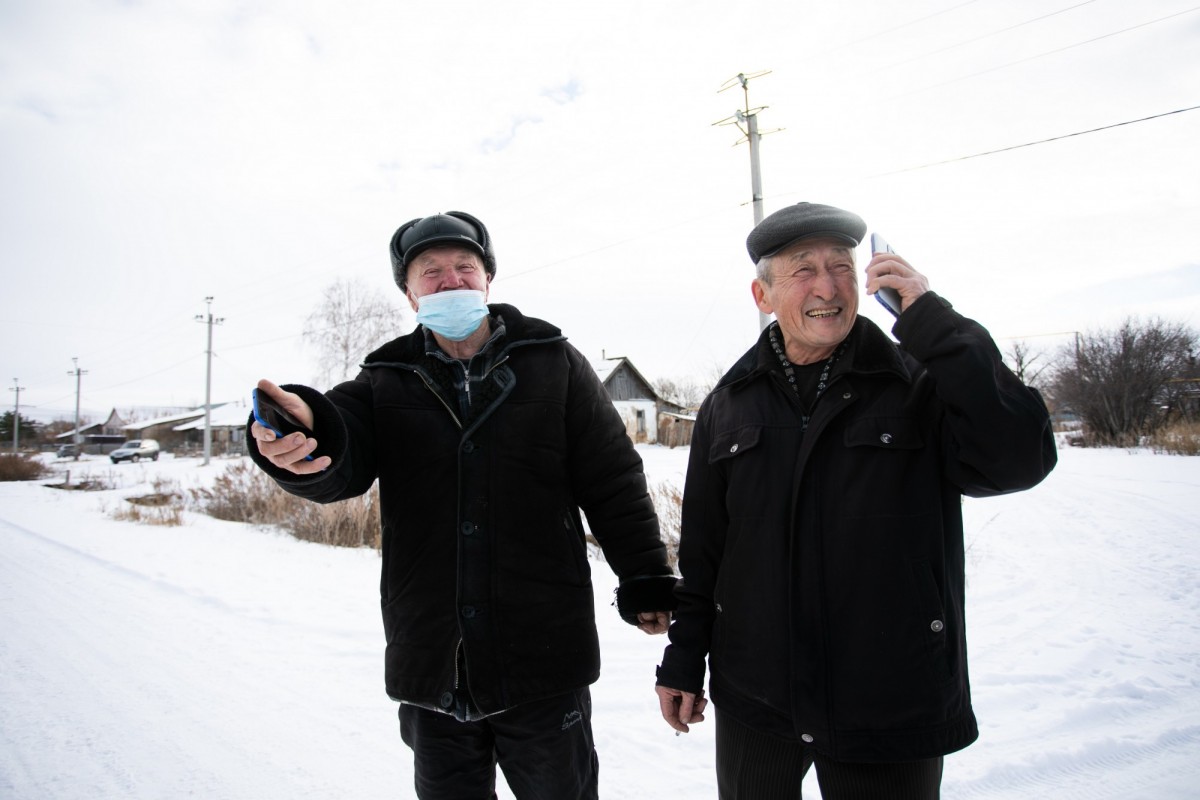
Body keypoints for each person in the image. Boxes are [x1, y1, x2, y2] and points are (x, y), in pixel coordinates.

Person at [248, 210, 677, 800]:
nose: (451, 280)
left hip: (543, 653)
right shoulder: (385, 378)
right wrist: (302, 433)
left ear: (487, 280)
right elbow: (337, 450)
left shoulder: (553, 362)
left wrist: (646, 576)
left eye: (464, 267)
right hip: (433, 662)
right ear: (409, 294)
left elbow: (612, 480)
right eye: (431, 272)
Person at [654, 202, 1057, 799]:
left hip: (887, 694)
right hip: (757, 696)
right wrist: (685, 658)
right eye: (803, 270)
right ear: (763, 295)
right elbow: (706, 552)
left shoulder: (918, 380)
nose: (828, 287)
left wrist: (935, 324)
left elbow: (1018, 460)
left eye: (841, 266)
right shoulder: (729, 403)